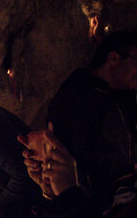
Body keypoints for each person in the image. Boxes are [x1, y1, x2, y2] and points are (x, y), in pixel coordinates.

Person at [47, 30, 137, 192]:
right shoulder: (76, 96)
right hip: (103, 202)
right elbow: (75, 157)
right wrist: (126, 172)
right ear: (114, 59)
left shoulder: (123, 92)